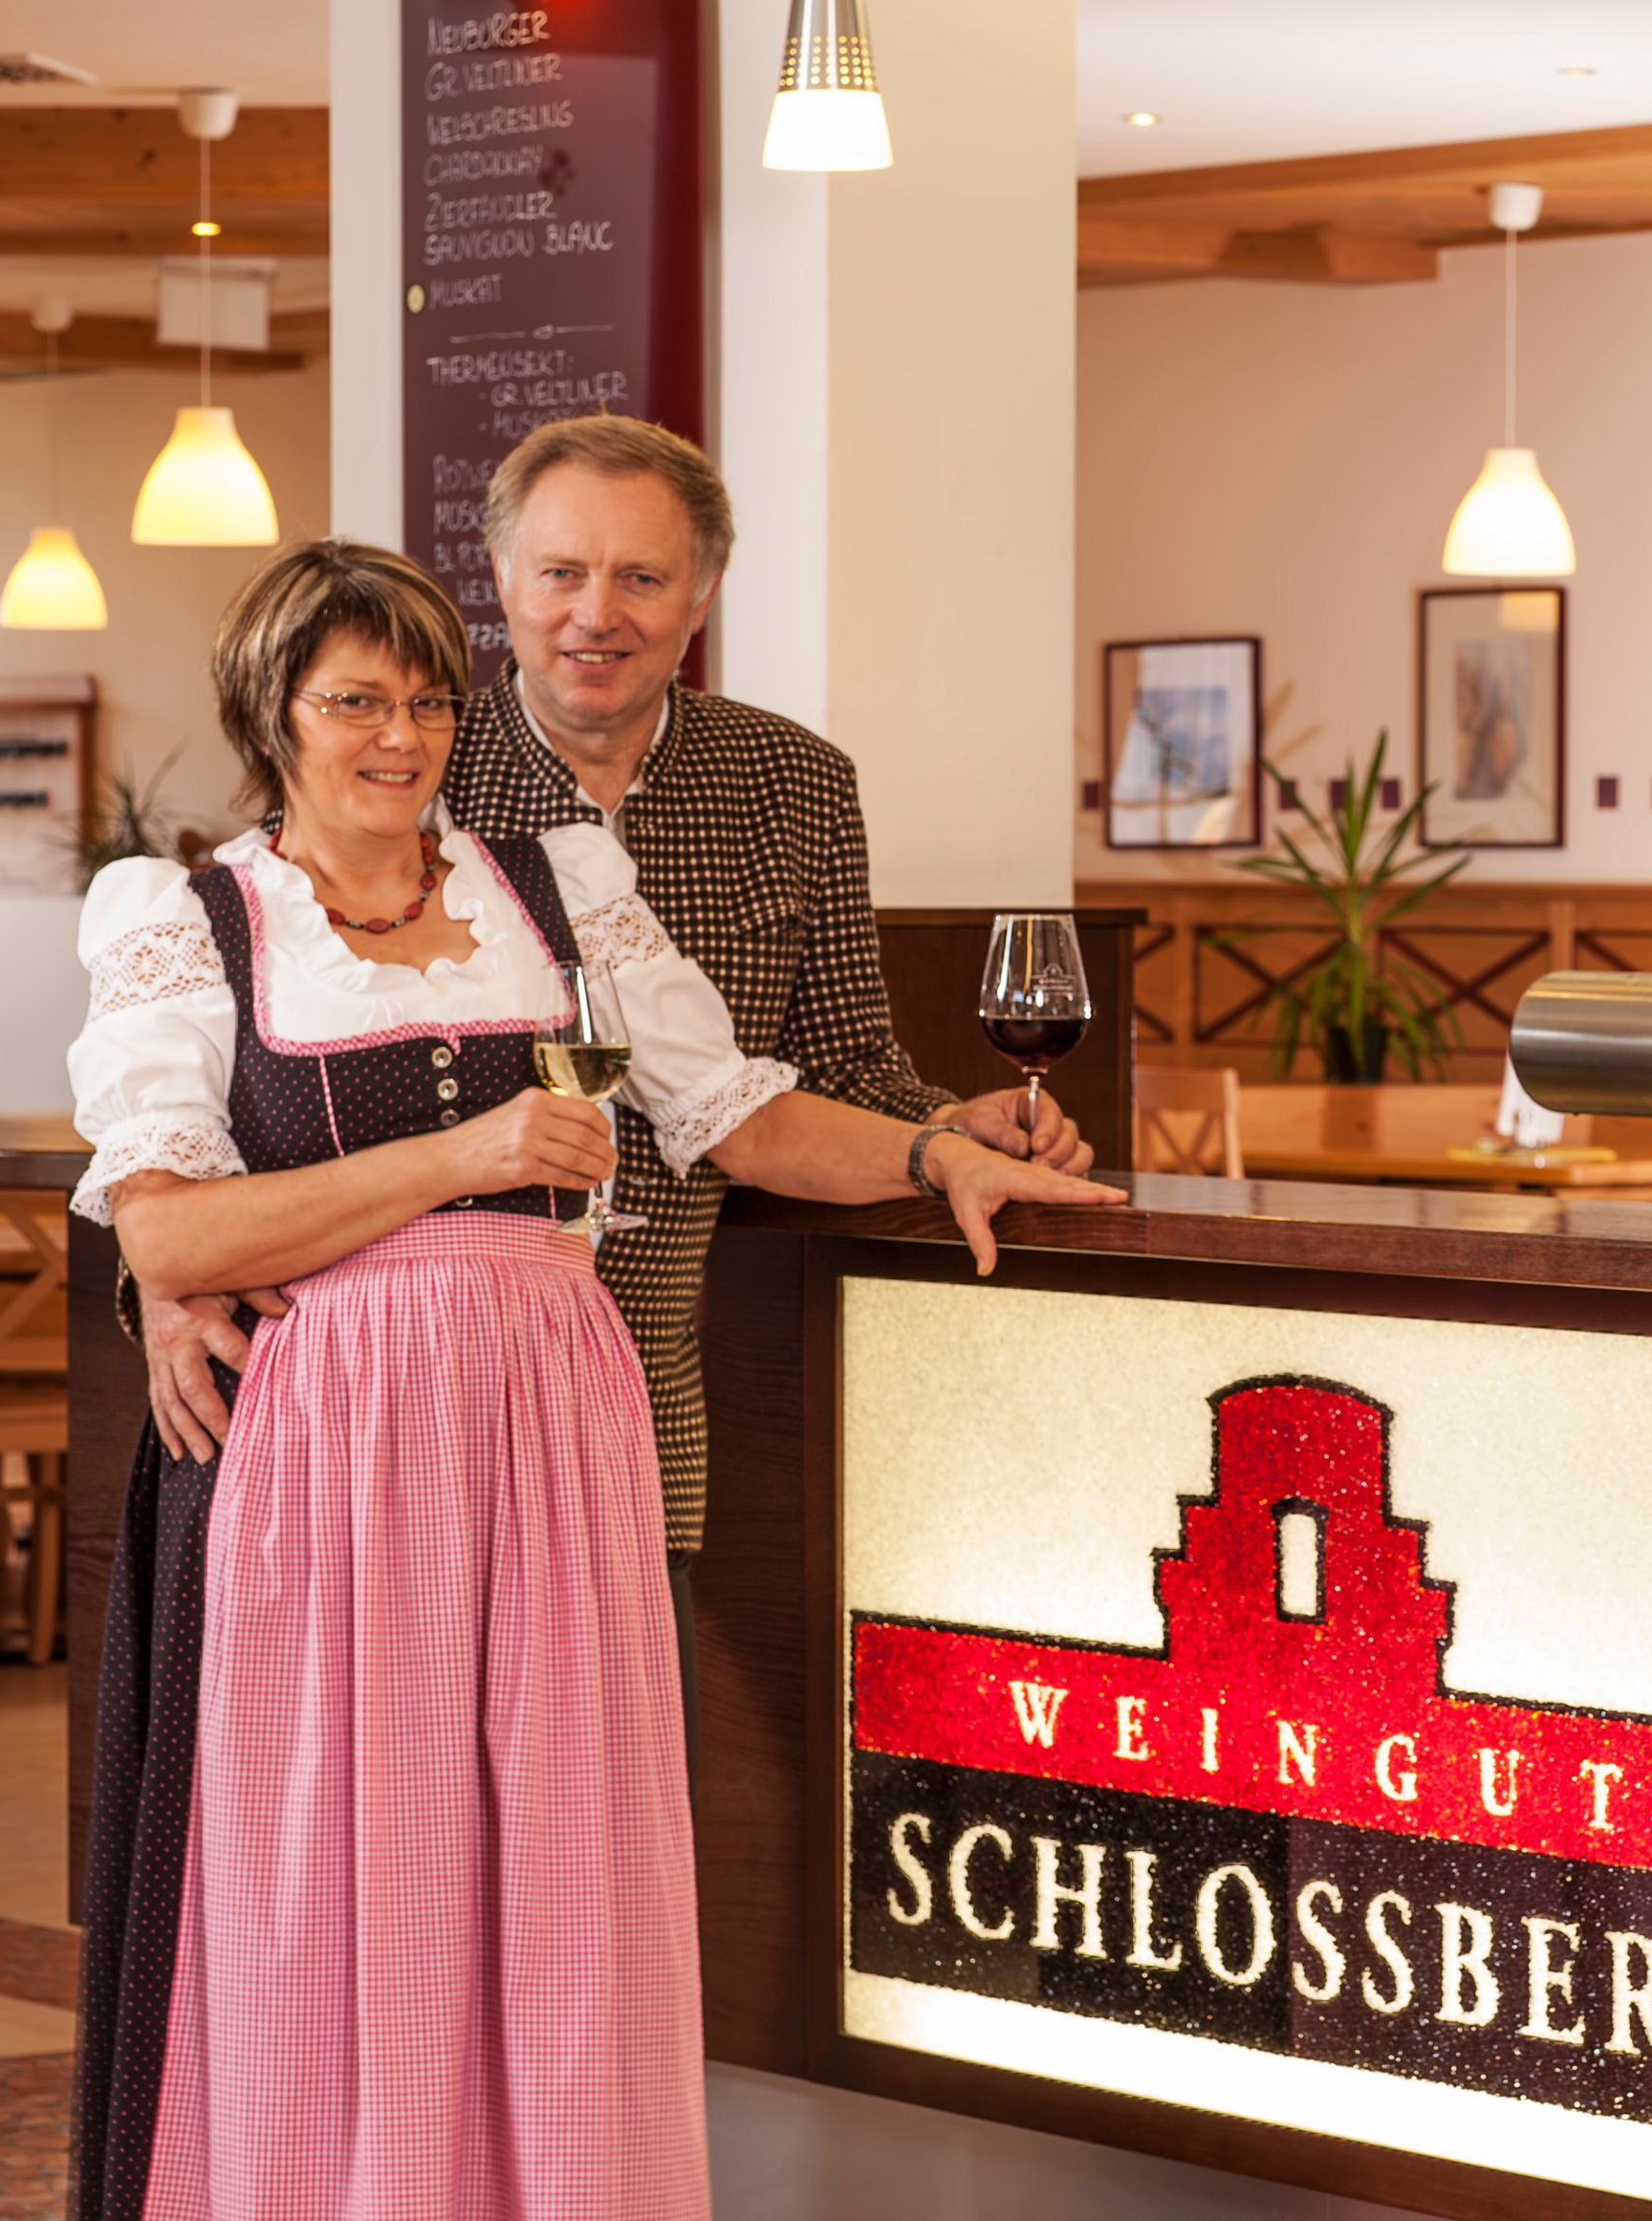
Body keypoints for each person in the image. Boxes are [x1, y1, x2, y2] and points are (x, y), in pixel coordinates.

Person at [66, 541, 1119, 2220]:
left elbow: (741, 1113)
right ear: (275, 717)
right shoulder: (187, 923)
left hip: (555, 1426)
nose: (399, 735)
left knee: (565, 1873)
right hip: (334, 1455)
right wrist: (464, 1151)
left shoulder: (553, 887)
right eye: (355, 700)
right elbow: (178, 1235)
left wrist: (935, 1149)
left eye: (423, 697)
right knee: (353, 1872)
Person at [130, 415, 1083, 1731]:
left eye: (641, 577)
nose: (598, 613)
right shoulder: (395, 789)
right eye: (563, 573)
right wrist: (165, 1286)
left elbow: (800, 1077)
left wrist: (940, 1137)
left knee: (615, 1783)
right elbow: (187, 1127)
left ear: (699, 598)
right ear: (504, 586)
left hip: (633, 1376)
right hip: (347, 1410)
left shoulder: (782, 787)